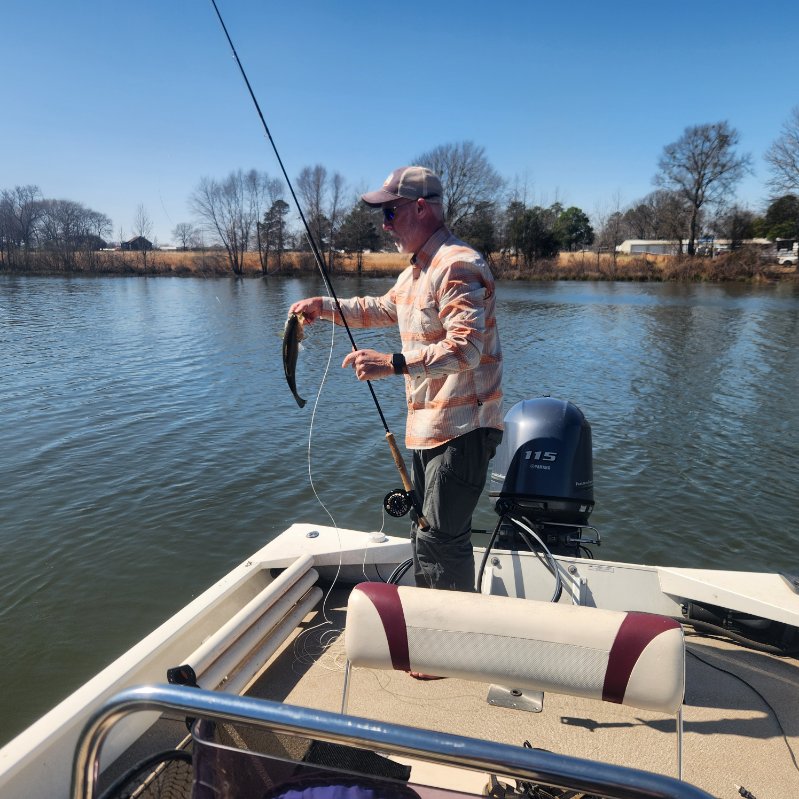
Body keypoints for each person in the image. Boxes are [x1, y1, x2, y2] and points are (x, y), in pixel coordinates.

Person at [289, 165, 502, 593]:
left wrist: (394, 363)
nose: (384, 225)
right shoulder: (415, 272)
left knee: (442, 539)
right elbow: (379, 309)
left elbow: (467, 348)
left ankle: (446, 644)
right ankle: (429, 630)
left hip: (462, 430)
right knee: (426, 530)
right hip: (429, 428)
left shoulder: (458, 265)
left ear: (420, 208)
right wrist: (323, 306)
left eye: (390, 213)